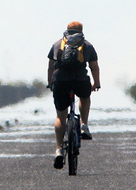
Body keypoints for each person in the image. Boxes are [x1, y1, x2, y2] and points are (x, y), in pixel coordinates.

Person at [47, 21, 100, 169]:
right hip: (80, 80)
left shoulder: (57, 44)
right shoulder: (87, 45)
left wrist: (51, 82)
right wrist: (96, 83)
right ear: (81, 30)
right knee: (85, 96)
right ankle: (84, 125)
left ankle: (58, 149)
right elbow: (94, 67)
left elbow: (51, 66)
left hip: (61, 82)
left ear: (67, 30)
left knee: (60, 116)